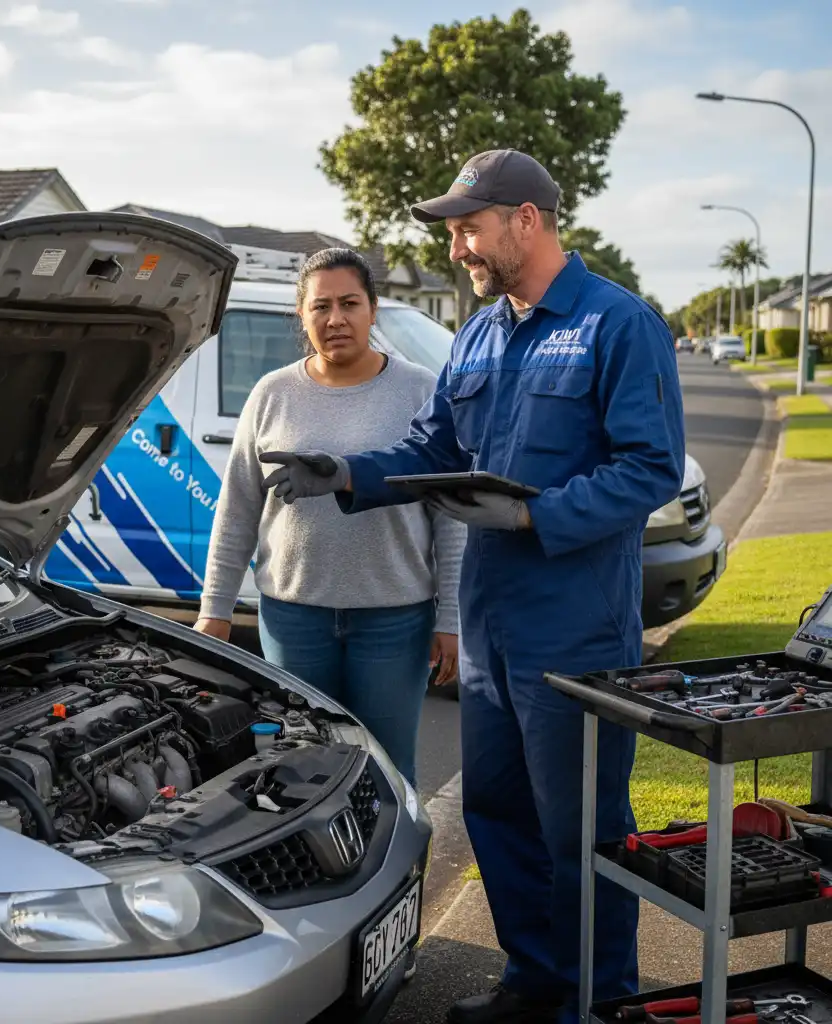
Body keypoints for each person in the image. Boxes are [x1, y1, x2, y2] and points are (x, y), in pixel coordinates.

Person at [258, 150, 686, 1024]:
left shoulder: (617, 324)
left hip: (575, 630)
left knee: (582, 828)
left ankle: (599, 1003)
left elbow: (650, 469)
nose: (458, 247)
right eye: (453, 231)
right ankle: (532, 982)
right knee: (495, 809)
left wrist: (538, 517)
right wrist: (341, 472)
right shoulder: (482, 335)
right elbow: (431, 452)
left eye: (468, 227)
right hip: (492, 628)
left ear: (526, 219)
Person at [193, 247, 465, 794]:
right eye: (321, 306)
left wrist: (450, 619)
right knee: (303, 770)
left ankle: (398, 878)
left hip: (394, 621)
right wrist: (214, 611)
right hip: (294, 621)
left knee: (388, 773)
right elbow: (238, 511)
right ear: (302, 315)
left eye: (349, 303)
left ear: (373, 309)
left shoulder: (420, 389)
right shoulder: (271, 394)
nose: (335, 318)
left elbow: (450, 515)